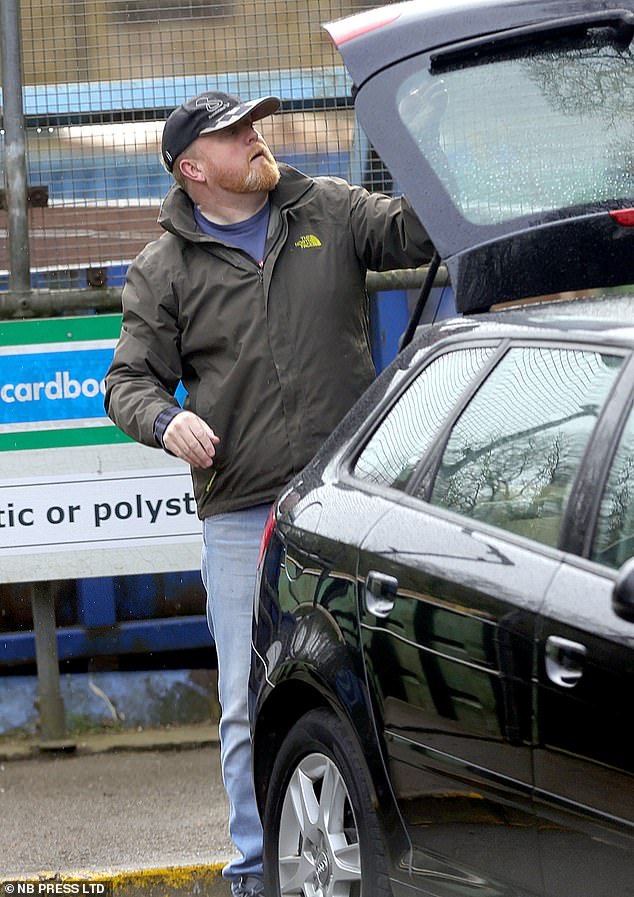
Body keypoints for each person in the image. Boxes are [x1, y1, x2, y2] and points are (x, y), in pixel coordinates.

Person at [104, 89, 434, 897]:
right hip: (243, 513)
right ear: (192, 169)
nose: (257, 139)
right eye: (234, 135)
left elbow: (416, 232)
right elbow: (127, 381)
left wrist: (433, 142)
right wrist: (164, 421)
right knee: (249, 703)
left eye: (254, 125)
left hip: (351, 502)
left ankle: (410, 855)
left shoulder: (327, 206)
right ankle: (258, 872)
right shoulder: (164, 269)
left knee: (383, 684)